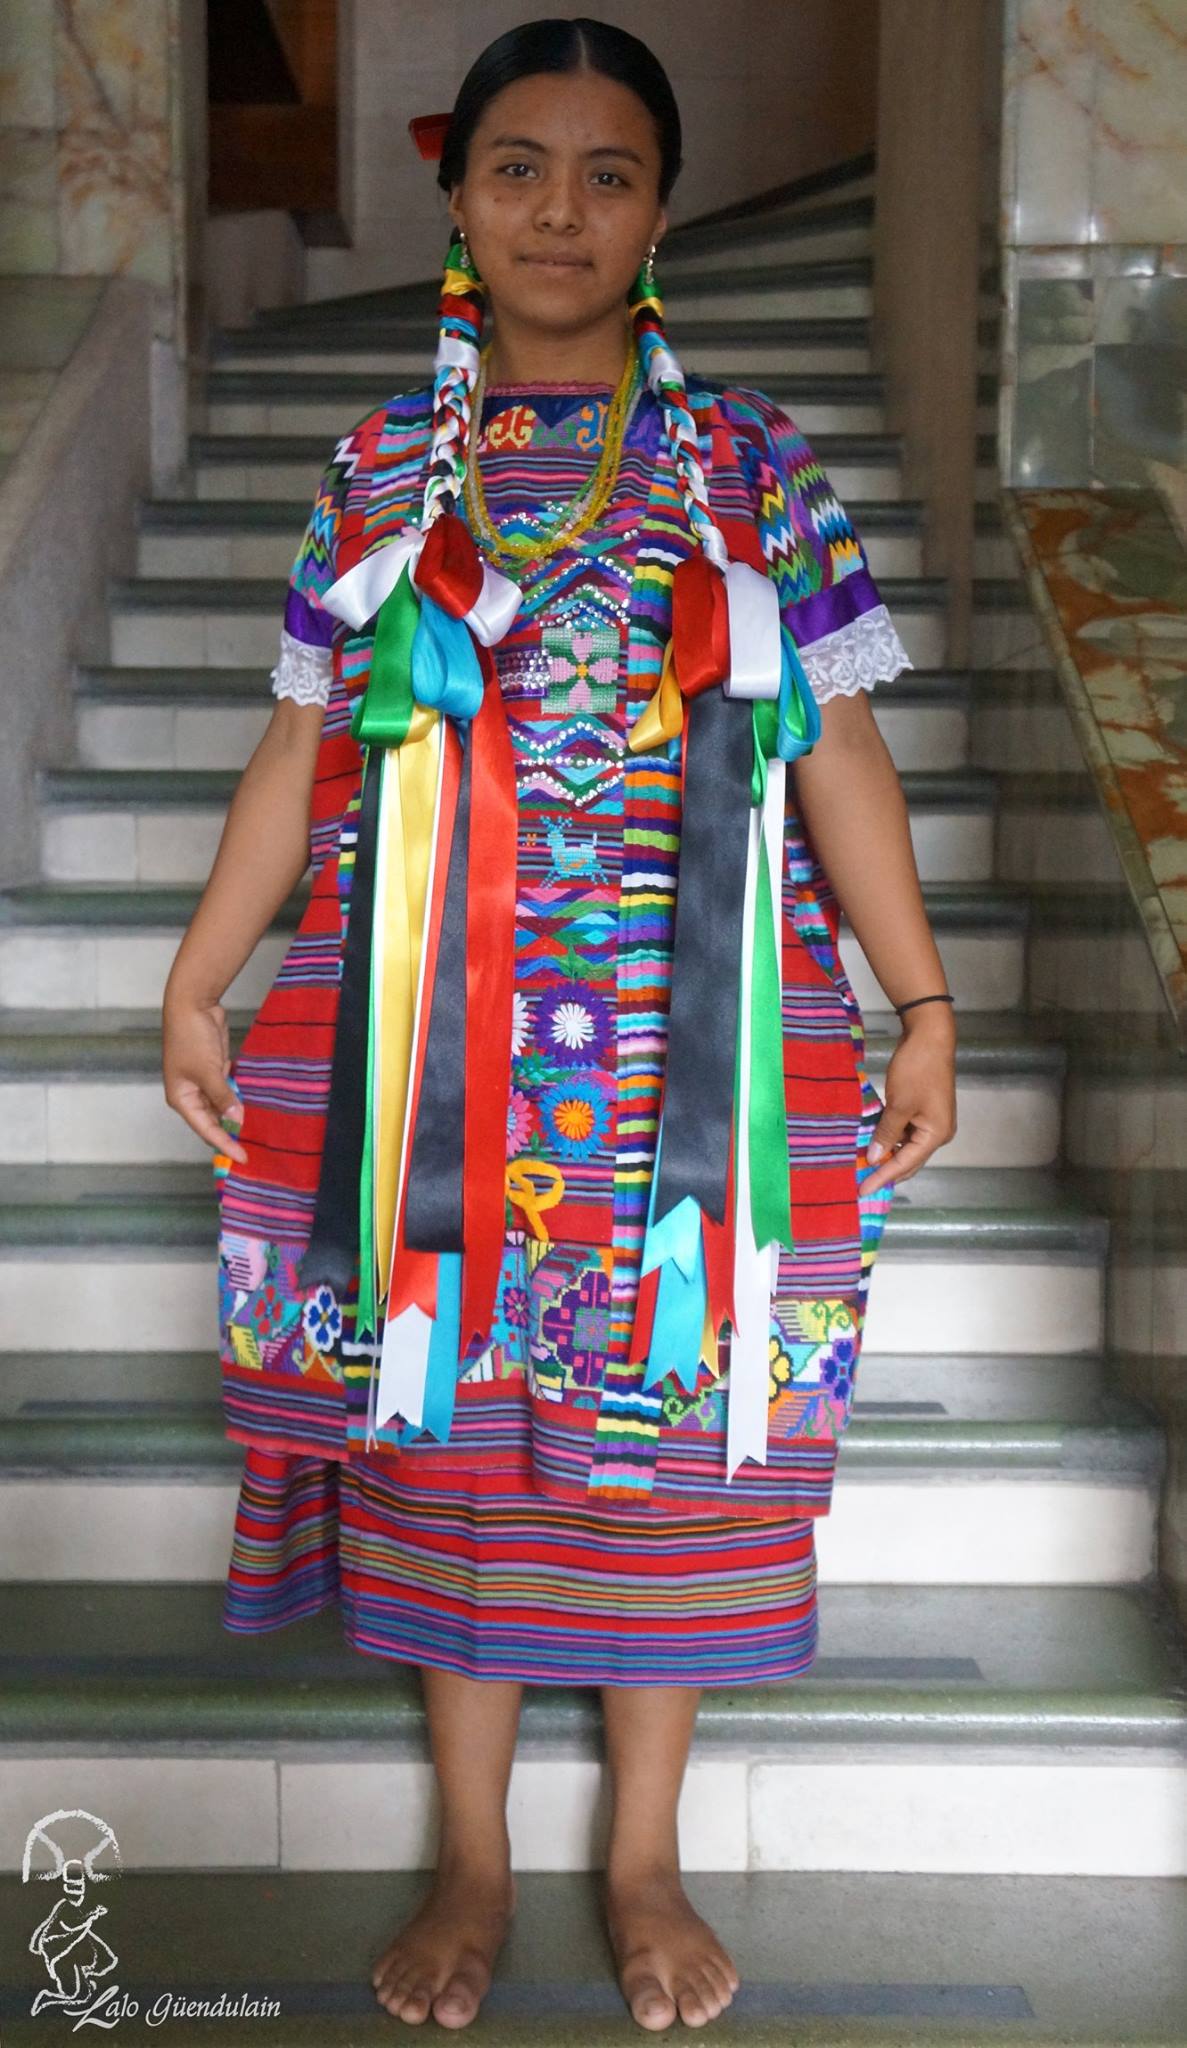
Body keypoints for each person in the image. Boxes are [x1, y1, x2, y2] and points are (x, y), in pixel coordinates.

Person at [162, 15, 957, 2033]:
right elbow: (297, 751)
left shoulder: (756, 464)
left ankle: (641, 1853)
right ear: (456, 197)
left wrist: (922, 996)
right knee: (449, 1426)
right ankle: (476, 1852)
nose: (559, 210)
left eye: (611, 175)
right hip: (429, 1058)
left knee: (677, 1425)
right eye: (519, 166)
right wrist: (199, 971)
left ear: (662, 214)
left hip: (698, 1051)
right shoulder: (382, 469)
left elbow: (841, 752)